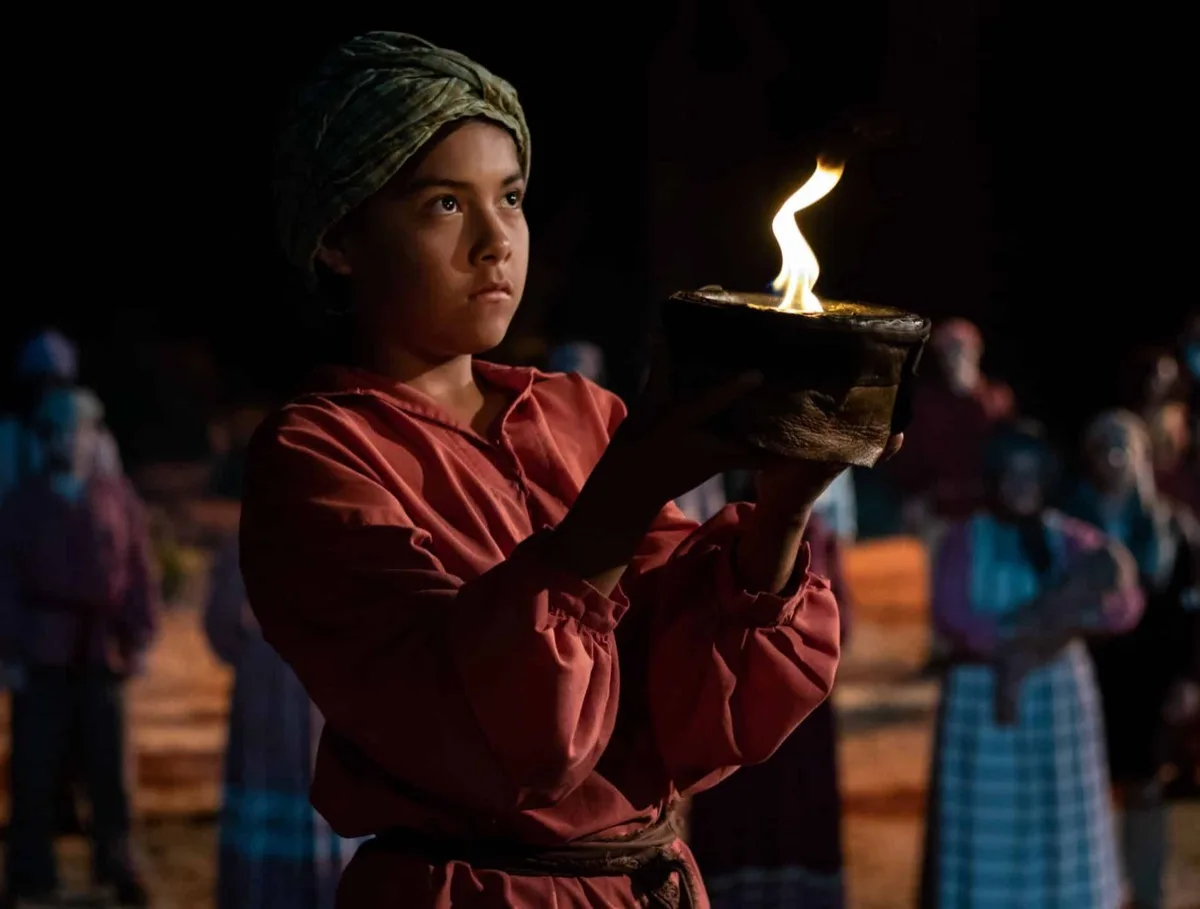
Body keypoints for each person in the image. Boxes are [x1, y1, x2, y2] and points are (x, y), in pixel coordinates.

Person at [241, 31, 896, 907]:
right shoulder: (318, 457)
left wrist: (780, 508)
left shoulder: (578, 415)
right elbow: (505, 737)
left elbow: (696, 713)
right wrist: (626, 492)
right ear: (338, 240)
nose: (495, 241)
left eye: (510, 197)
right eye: (444, 204)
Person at [918, 422, 1143, 909]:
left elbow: (1125, 602)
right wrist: (1014, 639)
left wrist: (1051, 632)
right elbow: (951, 616)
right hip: (984, 706)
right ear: (994, 478)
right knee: (990, 820)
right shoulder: (965, 539)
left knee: (1059, 814)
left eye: (1031, 474)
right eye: (1011, 474)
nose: (1021, 485)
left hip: (1056, 705)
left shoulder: (1068, 538)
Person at [0, 386, 157, 908]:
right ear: (47, 438)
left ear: (95, 437)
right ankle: (29, 873)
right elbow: (6, 582)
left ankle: (118, 866)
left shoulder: (117, 498)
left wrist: (140, 637)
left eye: (81, 431)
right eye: (62, 432)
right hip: (41, 653)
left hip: (102, 653)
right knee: (34, 769)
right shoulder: (22, 503)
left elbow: (138, 570)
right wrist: (9, 652)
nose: (71, 441)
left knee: (110, 771)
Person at [1061, 410, 1200, 909]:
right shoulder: (1066, 526)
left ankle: (1146, 892)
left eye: (1126, 448)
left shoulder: (1174, 527)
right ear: (1091, 458)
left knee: (1146, 788)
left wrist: (1190, 677)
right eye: (1106, 448)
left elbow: (1192, 611)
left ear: (1144, 458)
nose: (1116, 459)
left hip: (1152, 679)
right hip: (1086, 675)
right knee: (1086, 788)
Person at [685, 511, 853, 909]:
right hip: (751, 700)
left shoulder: (817, 537)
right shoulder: (731, 532)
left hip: (786, 709)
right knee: (747, 814)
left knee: (789, 813)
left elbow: (844, 623)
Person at [205, 532, 366, 909]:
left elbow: (221, 626)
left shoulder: (253, 538)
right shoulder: (352, 538)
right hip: (296, 695)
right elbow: (222, 625)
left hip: (297, 697)